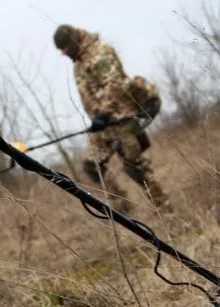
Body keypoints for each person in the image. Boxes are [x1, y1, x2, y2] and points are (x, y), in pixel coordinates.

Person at [53, 24, 171, 213]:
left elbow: (114, 84)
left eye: (65, 49)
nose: (64, 54)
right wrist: (96, 118)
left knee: (136, 168)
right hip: (102, 128)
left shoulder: (100, 53)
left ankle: (165, 210)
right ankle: (124, 209)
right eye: (62, 51)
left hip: (121, 120)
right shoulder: (78, 65)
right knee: (92, 166)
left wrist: (104, 113)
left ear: (73, 41)